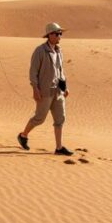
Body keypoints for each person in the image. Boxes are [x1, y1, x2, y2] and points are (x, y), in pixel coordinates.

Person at [17, 22, 73, 156]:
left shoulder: (59, 51)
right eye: (58, 34)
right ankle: (23, 135)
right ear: (50, 35)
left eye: (61, 34)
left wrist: (65, 87)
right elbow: (33, 72)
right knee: (39, 118)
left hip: (58, 91)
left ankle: (59, 148)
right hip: (45, 91)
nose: (60, 36)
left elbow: (61, 71)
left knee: (60, 119)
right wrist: (35, 89)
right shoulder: (40, 51)